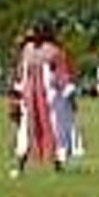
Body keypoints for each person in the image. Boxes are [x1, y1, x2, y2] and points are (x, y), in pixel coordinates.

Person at [10, 21, 69, 177]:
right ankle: (20, 166)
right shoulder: (27, 50)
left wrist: (65, 92)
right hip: (29, 97)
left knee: (54, 127)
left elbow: (62, 74)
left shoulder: (54, 51)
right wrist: (16, 96)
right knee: (26, 130)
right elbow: (20, 73)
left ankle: (58, 165)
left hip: (50, 98)